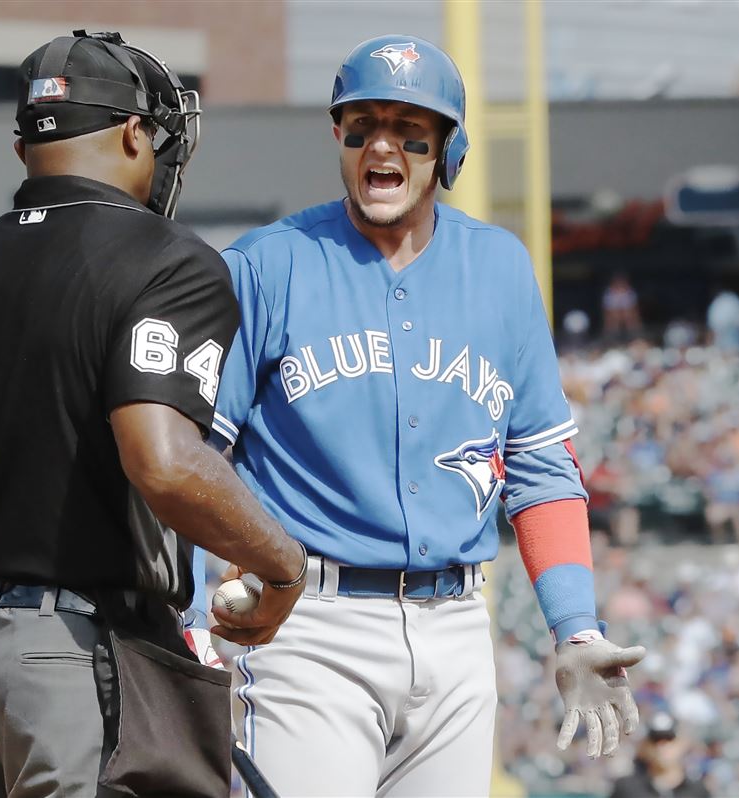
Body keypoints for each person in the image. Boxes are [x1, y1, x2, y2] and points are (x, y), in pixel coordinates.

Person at [204, 35, 646, 796]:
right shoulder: (267, 263)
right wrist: (184, 611)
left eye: (410, 129)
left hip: (456, 627)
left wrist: (575, 627)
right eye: (361, 125)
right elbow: (189, 459)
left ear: (448, 149)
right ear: (338, 138)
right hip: (306, 621)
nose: (381, 146)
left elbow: (541, 468)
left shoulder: (501, 267)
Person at [0, 31, 306, 798]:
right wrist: (283, 564)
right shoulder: (168, 258)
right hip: (82, 657)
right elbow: (164, 461)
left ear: (24, 148)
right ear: (136, 133)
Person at [609, 712, 710, 798]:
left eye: (669, 739)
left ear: (682, 744)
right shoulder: (627, 788)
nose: (661, 746)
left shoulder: (698, 791)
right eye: (655, 740)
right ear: (645, 746)